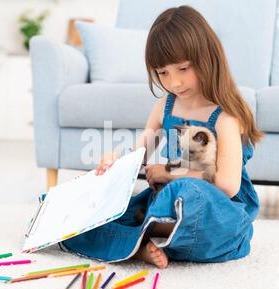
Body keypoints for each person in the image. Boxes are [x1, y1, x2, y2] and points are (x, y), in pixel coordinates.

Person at [60, 5, 264, 269]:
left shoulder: (226, 118)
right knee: (90, 217)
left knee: (186, 191)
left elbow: (227, 185)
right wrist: (115, 163)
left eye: (183, 68)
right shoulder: (164, 107)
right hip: (166, 206)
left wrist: (169, 173)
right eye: (162, 73)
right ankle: (142, 243)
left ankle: (141, 236)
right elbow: (139, 157)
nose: (174, 83)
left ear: (207, 58)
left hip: (217, 217)